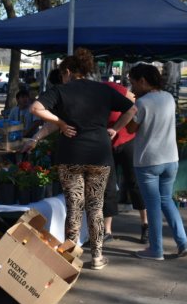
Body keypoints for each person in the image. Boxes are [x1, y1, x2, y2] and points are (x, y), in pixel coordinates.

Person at [30, 48, 136, 270]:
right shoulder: (102, 90)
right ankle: (97, 257)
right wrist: (115, 129)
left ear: (68, 71)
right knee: (95, 207)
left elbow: (36, 108)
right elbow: (132, 108)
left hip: (71, 155)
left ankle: (69, 256)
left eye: (62, 73)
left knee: (74, 206)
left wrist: (58, 125)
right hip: (100, 154)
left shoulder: (61, 91)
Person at [127, 63, 187, 261]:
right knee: (166, 201)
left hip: (148, 161)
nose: (132, 88)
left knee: (153, 205)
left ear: (143, 81)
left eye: (133, 83)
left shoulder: (142, 104)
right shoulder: (169, 98)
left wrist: (131, 105)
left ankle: (156, 249)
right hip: (171, 158)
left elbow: (130, 129)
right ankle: (183, 242)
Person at [102, 81, 148, 244]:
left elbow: (132, 101)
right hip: (107, 145)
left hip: (127, 142)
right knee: (108, 186)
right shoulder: (86, 96)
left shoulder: (110, 87)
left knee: (134, 182)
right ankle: (107, 230)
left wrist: (117, 126)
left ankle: (145, 225)